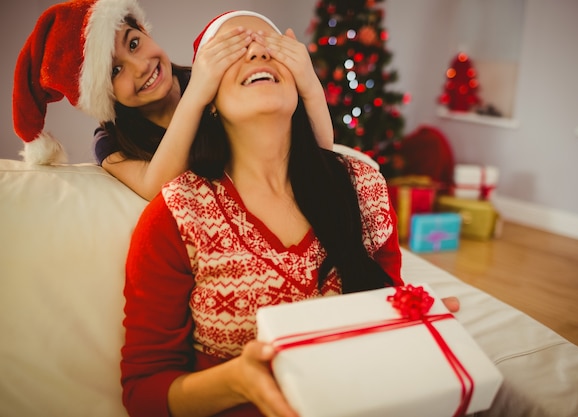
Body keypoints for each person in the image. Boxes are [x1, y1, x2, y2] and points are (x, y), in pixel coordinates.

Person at [120, 11, 459, 417]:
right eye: (233, 50)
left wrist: (418, 322)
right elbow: (144, 393)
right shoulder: (176, 216)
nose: (257, 52)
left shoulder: (363, 186)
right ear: (207, 99)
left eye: (270, 44)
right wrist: (236, 380)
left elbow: (386, 316)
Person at [12, 0, 333, 200]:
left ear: (146, 32)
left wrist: (308, 83)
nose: (141, 67)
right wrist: (198, 94)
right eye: (115, 71)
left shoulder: (217, 81)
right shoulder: (111, 144)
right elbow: (158, 187)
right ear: (102, 95)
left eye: (134, 43)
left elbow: (315, 152)